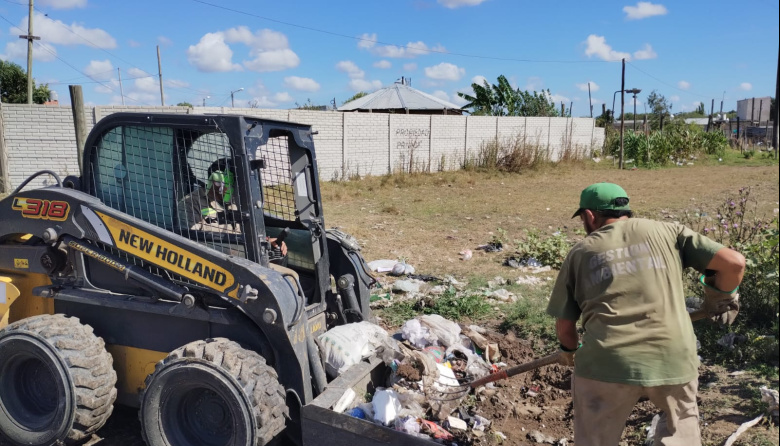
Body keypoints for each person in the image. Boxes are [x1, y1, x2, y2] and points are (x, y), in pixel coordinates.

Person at [547, 182, 744, 446]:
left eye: (583, 217)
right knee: (680, 434)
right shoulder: (669, 231)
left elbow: (565, 326)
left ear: (590, 216)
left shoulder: (580, 253)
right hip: (672, 358)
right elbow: (734, 263)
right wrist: (719, 298)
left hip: (607, 363)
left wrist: (569, 352)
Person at [177, 163, 287, 257]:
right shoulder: (190, 204)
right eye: (233, 185)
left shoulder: (235, 204)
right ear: (218, 183)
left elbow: (244, 236)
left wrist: (266, 243)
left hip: (240, 259)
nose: (236, 190)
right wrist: (228, 249)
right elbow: (189, 244)